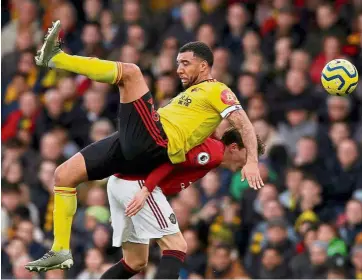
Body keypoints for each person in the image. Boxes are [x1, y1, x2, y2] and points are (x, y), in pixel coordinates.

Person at [25, 21, 263, 272]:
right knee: (63, 175)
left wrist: (252, 161)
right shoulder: (195, 99)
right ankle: (60, 249)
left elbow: (243, 123)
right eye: (177, 63)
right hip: (137, 145)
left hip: (157, 140)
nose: (179, 69)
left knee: (131, 73)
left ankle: (56, 58)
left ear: (204, 66)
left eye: (185, 63)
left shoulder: (218, 90)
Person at [100, 128, 265, 279]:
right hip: (138, 185)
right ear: (234, 148)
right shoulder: (212, 154)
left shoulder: (213, 152)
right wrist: (145, 190)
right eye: (249, 157)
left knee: (135, 262)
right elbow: (170, 159)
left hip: (130, 185)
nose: (249, 164)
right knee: (176, 246)